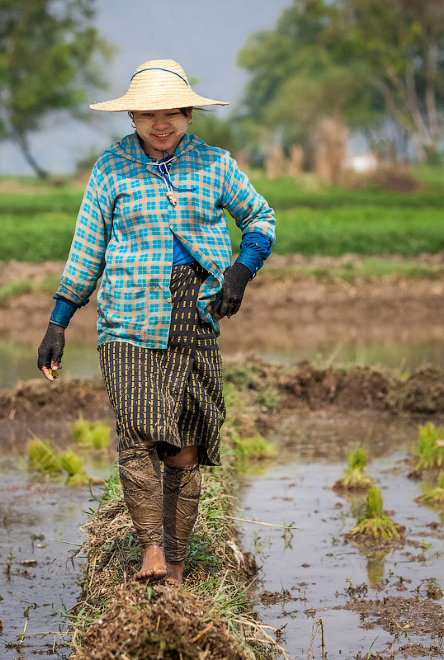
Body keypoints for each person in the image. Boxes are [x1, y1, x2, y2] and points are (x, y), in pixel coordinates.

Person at [36, 59, 275, 587]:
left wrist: (239, 271)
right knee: (140, 429)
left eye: (170, 113)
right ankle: (150, 550)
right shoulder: (110, 169)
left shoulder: (216, 165)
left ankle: (178, 561)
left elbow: (261, 219)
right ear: (133, 117)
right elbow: (86, 250)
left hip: (195, 315)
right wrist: (59, 321)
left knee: (184, 445)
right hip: (126, 319)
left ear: (188, 113)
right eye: (147, 114)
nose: (159, 124)